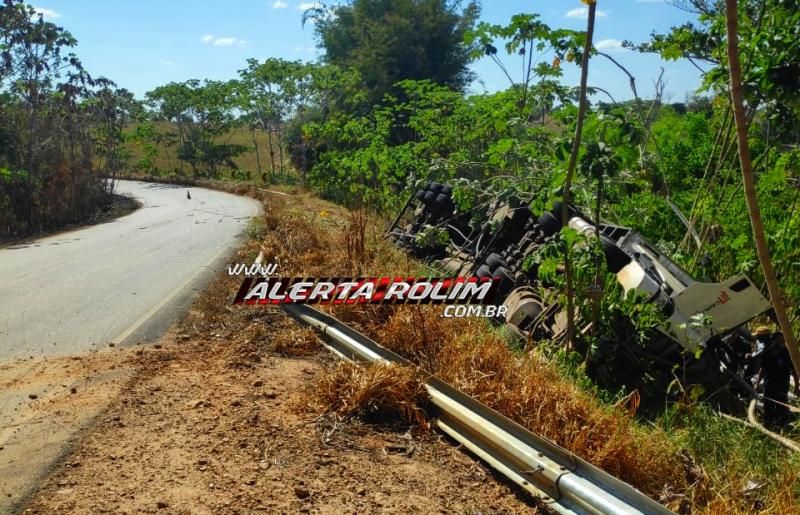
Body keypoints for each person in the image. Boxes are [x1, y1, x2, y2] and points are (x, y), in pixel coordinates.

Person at [755, 332, 800, 427]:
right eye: (779, 340)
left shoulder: (787, 353)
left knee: (781, 409)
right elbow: (762, 369)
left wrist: (796, 386)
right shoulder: (767, 352)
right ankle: (768, 426)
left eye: (783, 340)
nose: (782, 342)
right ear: (774, 341)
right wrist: (758, 383)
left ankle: (781, 427)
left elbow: (795, 371)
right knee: (768, 408)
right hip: (769, 386)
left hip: (782, 386)